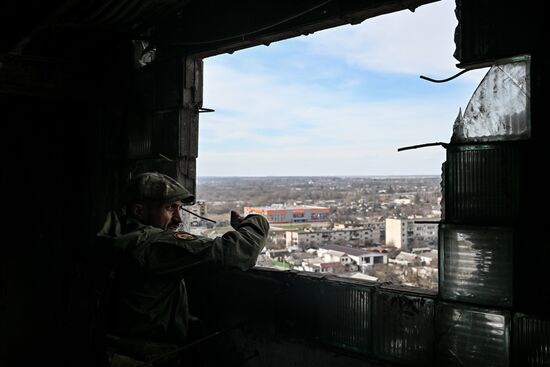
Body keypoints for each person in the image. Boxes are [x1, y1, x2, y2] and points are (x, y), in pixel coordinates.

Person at [96, 172, 269, 348]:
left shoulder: (118, 235)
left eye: (180, 208)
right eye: (170, 208)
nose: (178, 219)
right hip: (148, 352)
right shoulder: (153, 243)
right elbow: (241, 252)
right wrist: (255, 220)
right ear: (139, 211)